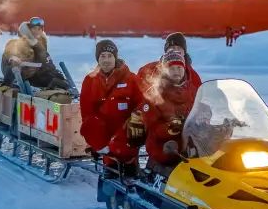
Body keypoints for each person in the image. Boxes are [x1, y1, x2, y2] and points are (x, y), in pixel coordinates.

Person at [79, 40, 142, 178]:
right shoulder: (90, 81)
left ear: (115, 57)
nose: (106, 60)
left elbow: (141, 106)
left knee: (131, 176)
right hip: (105, 137)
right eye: (102, 56)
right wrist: (96, 142)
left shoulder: (131, 79)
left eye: (110, 56)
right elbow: (87, 114)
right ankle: (110, 167)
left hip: (127, 136)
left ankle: (131, 168)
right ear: (98, 59)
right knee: (110, 176)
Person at [140, 48, 199, 179]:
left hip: (190, 151)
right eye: (171, 68)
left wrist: (212, 120)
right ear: (164, 70)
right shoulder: (154, 94)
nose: (176, 71)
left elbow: (202, 108)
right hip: (164, 151)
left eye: (179, 67)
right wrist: (169, 127)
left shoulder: (192, 91)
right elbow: (150, 126)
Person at [1, 17, 70, 90]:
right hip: (18, 76)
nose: (37, 31)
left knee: (59, 81)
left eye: (39, 29)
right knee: (14, 65)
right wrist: (13, 59)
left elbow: (48, 65)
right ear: (29, 30)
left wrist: (56, 75)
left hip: (34, 77)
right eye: (34, 28)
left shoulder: (41, 46)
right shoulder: (15, 43)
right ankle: (6, 85)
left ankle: (61, 91)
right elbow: (8, 56)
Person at [136, 32, 202, 94]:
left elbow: (200, 96)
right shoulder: (150, 69)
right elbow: (137, 87)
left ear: (184, 52)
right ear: (166, 51)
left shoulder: (193, 76)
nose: (175, 50)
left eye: (179, 48)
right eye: (172, 47)